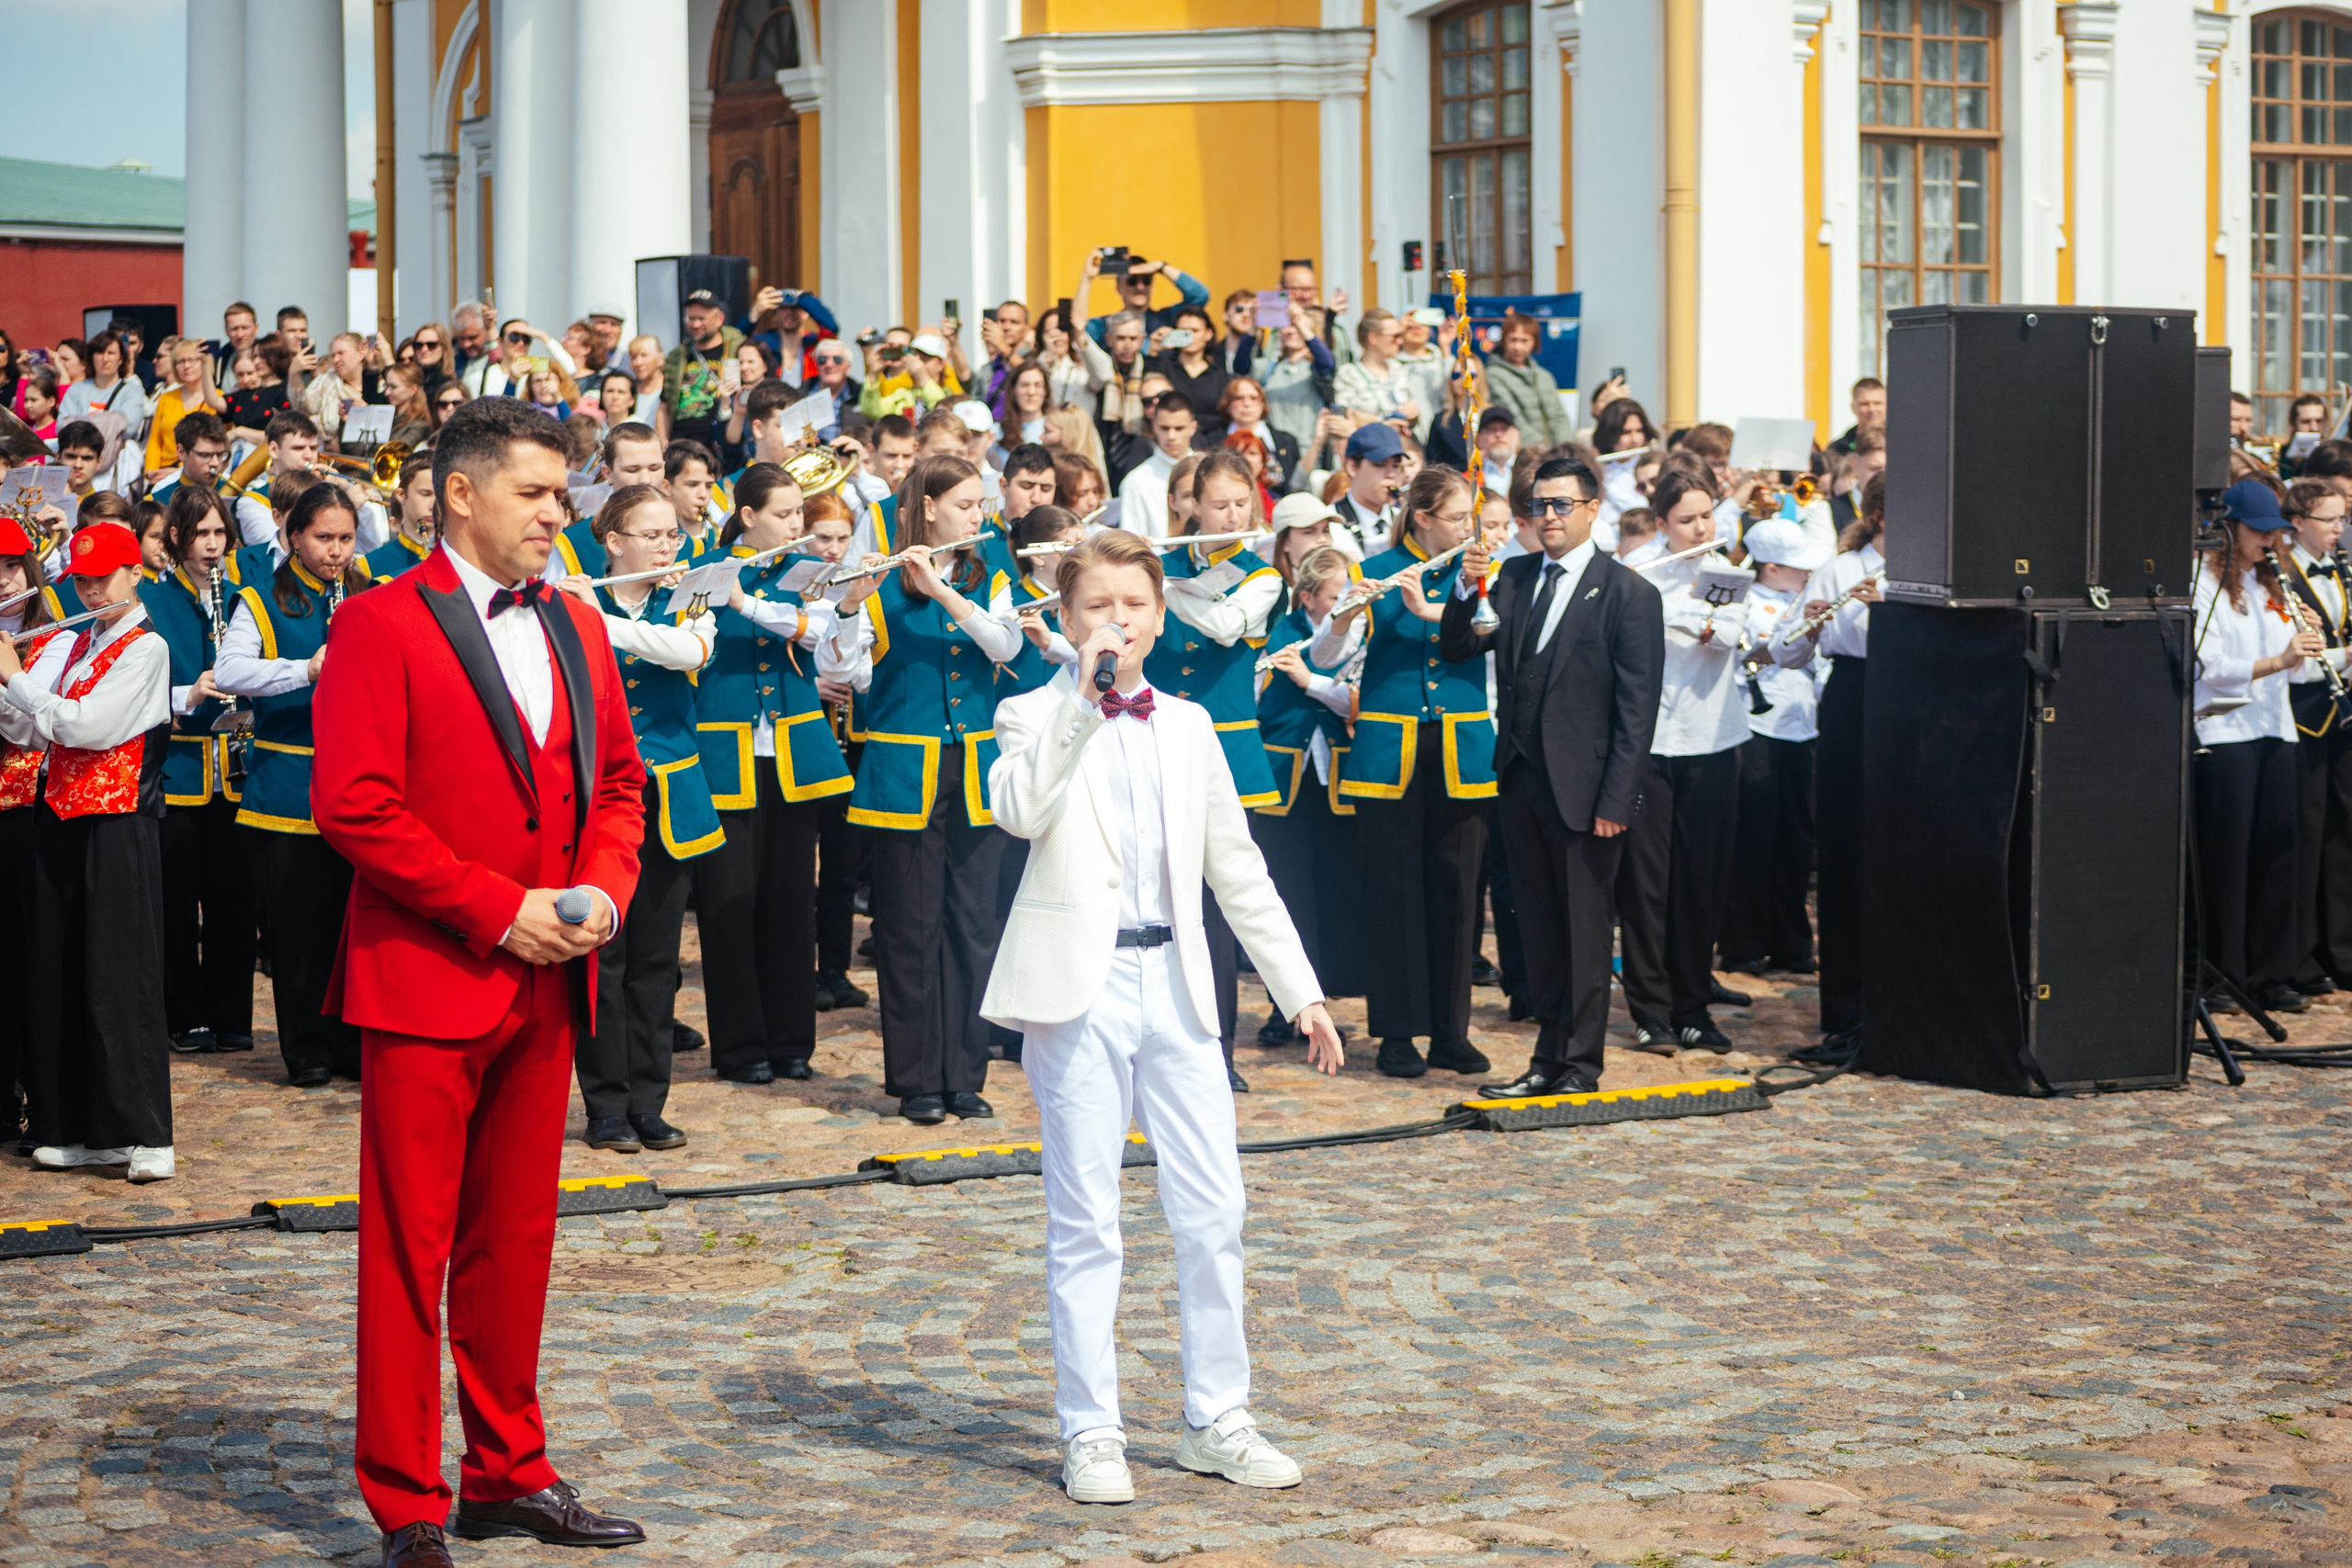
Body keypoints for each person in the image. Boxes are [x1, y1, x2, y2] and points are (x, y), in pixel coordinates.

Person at [309, 397, 647, 1565]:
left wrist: (601, 894)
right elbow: (353, 803)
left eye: (566, 494)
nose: (562, 514)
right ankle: (407, 1498)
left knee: (518, 1241)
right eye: (538, 494)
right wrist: (498, 911)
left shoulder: (580, 624)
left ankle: (508, 1470)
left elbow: (616, 788)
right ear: (461, 493)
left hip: (553, 982)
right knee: (410, 1250)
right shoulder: (379, 622)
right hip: (427, 976)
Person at [981, 526, 1340, 1507]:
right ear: (1067, 617)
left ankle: (1216, 1417)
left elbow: (1237, 866)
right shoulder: (1026, 711)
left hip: (1180, 987)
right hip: (1078, 989)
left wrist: (1297, 989)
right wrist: (1078, 707)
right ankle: (1090, 1428)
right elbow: (1015, 809)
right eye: (1098, 605)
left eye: (1134, 606)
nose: (1118, 622)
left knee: (1212, 1208)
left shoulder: (1186, 725)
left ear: (1156, 616)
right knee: (1086, 1216)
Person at [1440, 456, 1664, 1095]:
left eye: (1561, 504)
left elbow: (1635, 711)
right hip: (1520, 782)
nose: (1548, 517)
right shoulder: (1510, 578)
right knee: (1537, 927)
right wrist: (1464, 587)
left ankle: (1579, 1065)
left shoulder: (1629, 594)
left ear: (1593, 509)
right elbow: (1459, 645)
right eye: (1539, 505)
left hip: (1589, 793)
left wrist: (1618, 797)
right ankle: (1545, 1057)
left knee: (1586, 931)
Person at [820, 455, 1024, 1124]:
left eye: (981, 504)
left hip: (973, 773)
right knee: (908, 929)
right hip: (900, 772)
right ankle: (915, 1080)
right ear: (929, 507)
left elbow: (1006, 647)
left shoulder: (989, 570)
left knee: (972, 924)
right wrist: (850, 603)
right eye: (966, 504)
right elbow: (839, 666)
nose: (979, 515)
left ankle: (965, 1073)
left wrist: (942, 590)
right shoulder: (876, 577)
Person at [1311, 466, 1495, 1079]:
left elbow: (1491, 634)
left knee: (1457, 892)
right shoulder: (1374, 569)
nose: (1468, 529)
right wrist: (1343, 614)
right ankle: (1396, 1032)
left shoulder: (1483, 570)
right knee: (1391, 893)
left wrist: (1444, 601)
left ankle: (1450, 1031)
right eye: (1457, 518)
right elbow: (1329, 658)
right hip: (1389, 752)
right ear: (1422, 518)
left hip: (1461, 747)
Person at [5, 520, 175, 1181]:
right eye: (81, 578)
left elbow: (86, 726)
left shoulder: (147, 648)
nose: (92, 588)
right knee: (61, 974)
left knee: (120, 977)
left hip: (118, 824)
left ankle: (146, 1131)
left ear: (135, 573)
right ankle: (76, 1124)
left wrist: (15, 678)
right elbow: (30, 727)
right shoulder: (72, 645)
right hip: (61, 818)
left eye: (105, 576)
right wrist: (15, 687)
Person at [558, 486, 723, 1150]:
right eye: (651, 535)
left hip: (670, 799)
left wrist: (586, 619)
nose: (667, 546)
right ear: (613, 543)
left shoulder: (689, 596)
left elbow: (688, 653)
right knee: (603, 957)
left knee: (659, 960)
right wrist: (563, 606)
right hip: (597, 797)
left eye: (672, 534)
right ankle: (605, 1105)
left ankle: (650, 1102)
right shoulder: (570, 596)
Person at [692, 465, 851, 1087]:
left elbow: (819, 634)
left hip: (794, 754)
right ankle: (740, 1046)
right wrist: (724, 592)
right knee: (731, 902)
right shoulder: (706, 567)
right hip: (726, 751)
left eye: (798, 514)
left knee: (792, 901)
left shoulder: (806, 571)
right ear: (749, 514)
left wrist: (749, 601)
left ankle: (791, 1040)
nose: (796, 524)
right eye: (785, 514)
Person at [215, 484, 373, 1088]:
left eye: (344, 539)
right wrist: (303, 669)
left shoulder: (368, 593)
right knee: (299, 923)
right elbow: (229, 671)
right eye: (323, 538)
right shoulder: (258, 599)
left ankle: (352, 1041)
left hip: (360, 782)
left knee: (353, 924)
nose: (336, 551)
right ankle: (304, 1046)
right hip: (289, 782)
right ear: (294, 537)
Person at [1612, 467, 1751, 1055]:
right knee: (1646, 885)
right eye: (1687, 519)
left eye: (1707, 515)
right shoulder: (1636, 572)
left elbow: (1722, 634)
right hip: (1651, 746)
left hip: (1713, 742)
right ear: (1663, 522)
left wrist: (1679, 617)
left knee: (1702, 881)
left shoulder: (1728, 571)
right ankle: (1650, 1011)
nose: (1701, 527)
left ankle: (1693, 1006)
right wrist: (1670, 613)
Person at [2192, 480, 2319, 1015]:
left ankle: (2272, 972)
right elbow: (2212, 668)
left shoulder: (2273, 584)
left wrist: (2322, 649)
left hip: (2275, 728)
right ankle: (2224, 973)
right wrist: (2281, 659)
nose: (2271, 539)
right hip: (2225, 733)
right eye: (2259, 530)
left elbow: (2302, 670)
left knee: (2276, 853)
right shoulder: (2202, 583)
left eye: (2276, 532)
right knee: (2230, 856)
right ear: (2228, 529)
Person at [143, 487, 258, 1056]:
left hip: (237, 767)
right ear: (176, 538)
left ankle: (232, 1014)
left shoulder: (242, 598)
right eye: (201, 534)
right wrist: (185, 695)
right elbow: (135, 686)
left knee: (234, 900)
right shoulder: (150, 600)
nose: (212, 546)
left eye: (220, 534)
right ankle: (184, 1015)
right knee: (177, 899)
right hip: (181, 767)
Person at [1775, 471, 1884, 1042]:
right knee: (1845, 851)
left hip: (1912, 699)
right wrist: (1811, 626)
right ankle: (1845, 1013)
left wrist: (1890, 609)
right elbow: (1784, 651)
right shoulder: (1839, 569)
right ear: (1883, 516)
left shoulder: (1926, 571)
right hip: (1853, 697)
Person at [1250, 542, 1365, 1046]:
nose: (1344, 605)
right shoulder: (1284, 632)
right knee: (1287, 896)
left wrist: (1314, 682)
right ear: (1311, 595)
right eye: (1336, 594)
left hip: (1335, 776)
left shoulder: (1358, 635)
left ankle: (1325, 1004)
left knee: (1333, 892)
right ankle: (1284, 1007)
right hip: (1285, 778)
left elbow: (1354, 702)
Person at [1715, 518, 1824, 978]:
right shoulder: (1744, 599)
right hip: (1757, 726)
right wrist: (1774, 645)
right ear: (1772, 566)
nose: (1805, 574)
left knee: (1796, 838)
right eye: (1797, 568)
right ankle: (1742, 943)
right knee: (1753, 839)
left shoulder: (1803, 600)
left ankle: (1791, 942)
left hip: (1802, 725)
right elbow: (1740, 656)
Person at [2276, 479, 2352, 998]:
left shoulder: (2342, 570)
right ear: (2299, 522)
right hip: (2302, 720)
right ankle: (2298, 956)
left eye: (2343, 519)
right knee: (2303, 835)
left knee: (2342, 836)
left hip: (2341, 715)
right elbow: (2302, 657)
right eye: (2329, 520)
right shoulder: (2282, 574)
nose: (2338, 530)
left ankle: (2340, 950)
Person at [1078, 249, 1212, 350]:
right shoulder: (1105, 325)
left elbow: (1200, 295)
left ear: (1152, 286)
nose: (1140, 286)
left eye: (1146, 280)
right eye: (1132, 281)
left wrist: (1161, 267)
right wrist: (1087, 277)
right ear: (1119, 287)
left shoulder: (1167, 319)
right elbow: (1078, 327)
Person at [1115, 392, 1200, 540]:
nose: (1171, 436)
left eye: (1179, 428)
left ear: (1193, 427)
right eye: (1165, 428)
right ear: (1154, 426)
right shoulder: (1136, 482)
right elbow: (1132, 544)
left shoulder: (1209, 472)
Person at [1481, 312, 1571, 449]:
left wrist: (1565, 448)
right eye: (1513, 340)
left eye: (1524, 341)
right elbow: (1514, 418)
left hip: (1555, 453)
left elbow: (1559, 416)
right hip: (1524, 453)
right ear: (1504, 340)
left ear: (1534, 342)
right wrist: (1542, 449)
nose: (1518, 347)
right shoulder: (1493, 374)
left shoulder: (1544, 376)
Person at [1334, 309, 1427, 441]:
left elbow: (1412, 411)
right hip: (1371, 451)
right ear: (1373, 338)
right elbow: (1341, 421)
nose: (1400, 341)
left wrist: (1413, 413)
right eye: (1395, 336)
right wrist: (1380, 424)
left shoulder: (1398, 369)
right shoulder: (1349, 373)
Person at [1151, 305, 1232, 444]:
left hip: (1211, 445)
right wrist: (1153, 351)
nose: (1189, 336)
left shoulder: (1220, 375)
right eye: (1183, 331)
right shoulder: (1163, 366)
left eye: (1194, 330)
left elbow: (1224, 419)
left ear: (1208, 334)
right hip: (1169, 442)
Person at [1332, 422, 1408, 558]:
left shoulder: (1406, 522)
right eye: (1380, 465)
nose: (1391, 474)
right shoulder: (1329, 527)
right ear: (1352, 467)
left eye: (1396, 466)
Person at [1218, 377, 1302, 496]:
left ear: (1263, 404)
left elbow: (1296, 485)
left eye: (1254, 398)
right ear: (1227, 404)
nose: (1247, 404)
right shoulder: (1213, 442)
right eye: (1239, 398)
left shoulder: (1286, 441)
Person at [366, 456, 439, 580]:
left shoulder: (462, 556)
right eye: (425, 494)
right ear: (401, 495)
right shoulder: (369, 565)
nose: (433, 505)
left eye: (440, 494)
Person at [1827, 376, 1886, 456]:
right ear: (1853, 407)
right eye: (1865, 404)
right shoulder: (1838, 450)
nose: (1872, 409)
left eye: (1877, 403)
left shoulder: (1902, 443)